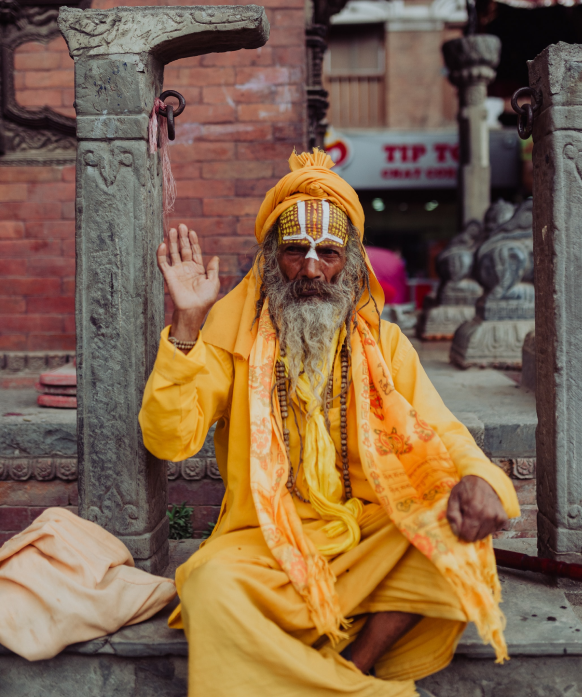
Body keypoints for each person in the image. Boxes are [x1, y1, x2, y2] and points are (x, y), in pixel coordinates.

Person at [139, 149, 519, 697]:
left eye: (329, 253)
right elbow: (169, 439)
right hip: (264, 542)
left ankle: (353, 668)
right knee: (210, 587)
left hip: (366, 531)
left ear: (352, 262)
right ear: (271, 257)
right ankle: (359, 689)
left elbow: (443, 430)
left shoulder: (385, 345)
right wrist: (188, 322)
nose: (312, 270)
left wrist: (481, 480)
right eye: (296, 252)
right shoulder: (231, 339)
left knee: (452, 526)